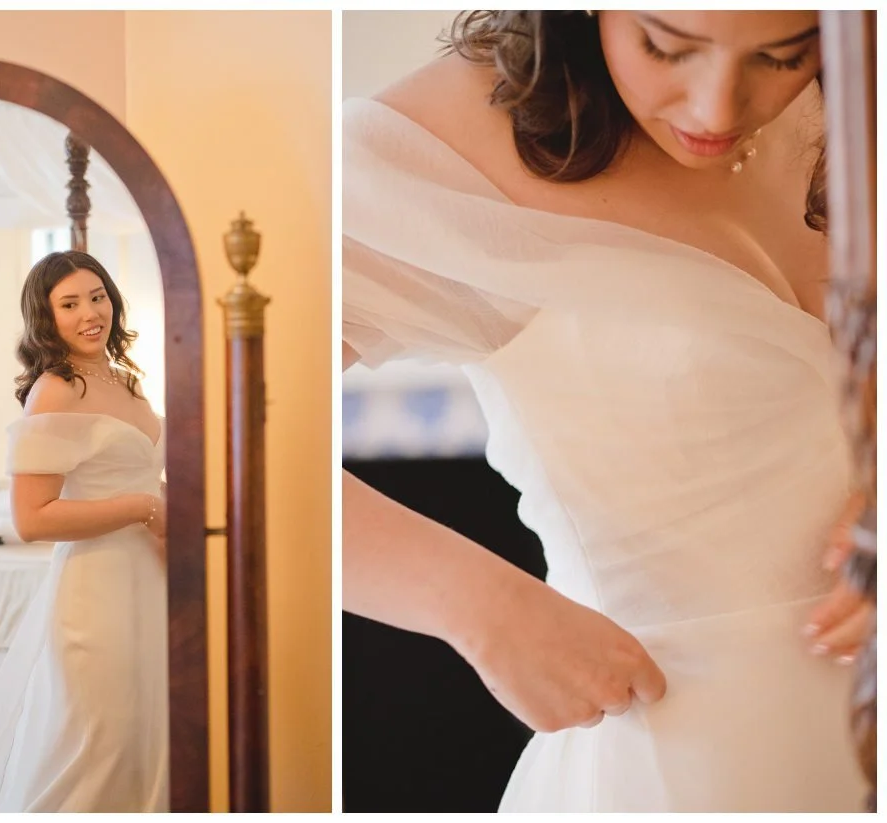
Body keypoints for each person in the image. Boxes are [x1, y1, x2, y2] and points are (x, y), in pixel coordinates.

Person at [342, 10, 871, 812]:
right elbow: (203, 444)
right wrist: (477, 605)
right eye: (667, 47)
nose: (718, 109)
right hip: (686, 754)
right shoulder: (424, 150)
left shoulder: (858, 94)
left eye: (780, 56)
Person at [0, 251, 169, 812]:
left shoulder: (126, 380)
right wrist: (142, 506)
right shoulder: (55, 390)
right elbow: (32, 518)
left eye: (97, 296)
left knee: (147, 735)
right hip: (96, 586)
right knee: (99, 740)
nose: (91, 313)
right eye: (70, 304)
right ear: (47, 317)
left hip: (153, 578)